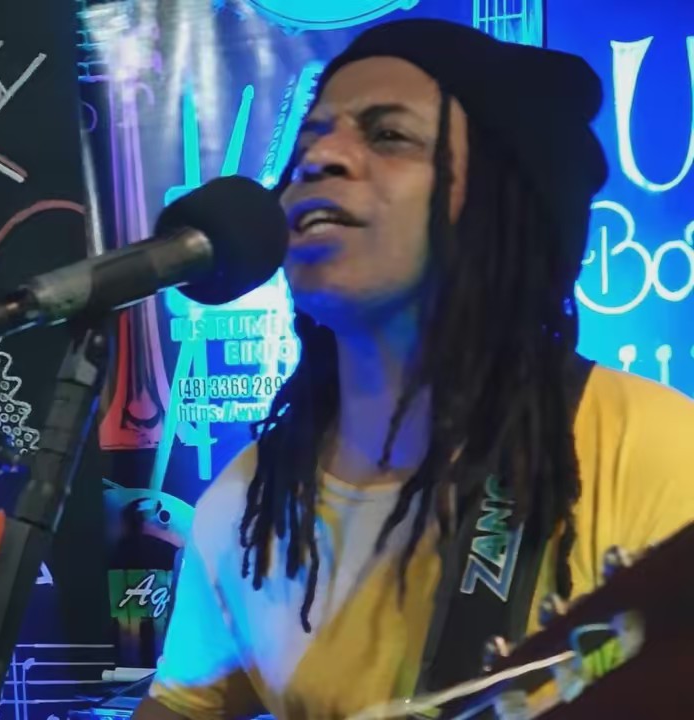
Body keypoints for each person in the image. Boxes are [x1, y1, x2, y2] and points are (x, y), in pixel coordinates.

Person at [135, 19, 694, 720]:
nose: (319, 158)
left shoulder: (657, 452)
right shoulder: (251, 501)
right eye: (309, 140)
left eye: (388, 135)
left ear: (496, 200)